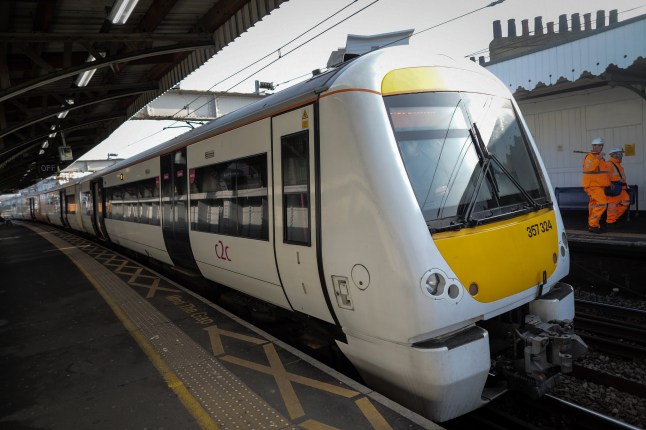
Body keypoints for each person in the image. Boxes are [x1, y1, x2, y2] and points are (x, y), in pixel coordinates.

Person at [581, 137, 610, 233]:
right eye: (599, 145)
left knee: (593, 205)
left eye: (602, 145)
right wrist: (598, 158)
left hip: (599, 185)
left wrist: (609, 183)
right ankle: (593, 224)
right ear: (594, 146)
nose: (601, 147)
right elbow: (589, 168)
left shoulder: (599, 157)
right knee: (602, 203)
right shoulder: (590, 157)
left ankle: (593, 225)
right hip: (593, 186)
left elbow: (603, 172)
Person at [605, 146, 630, 226]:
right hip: (614, 189)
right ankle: (610, 222)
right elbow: (605, 177)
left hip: (621, 188)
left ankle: (614, 218)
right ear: (614, 154)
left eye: (621, 153)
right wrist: (612, 183)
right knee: (612, 205)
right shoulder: (608, 164)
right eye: (620, 153)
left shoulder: (618, 165)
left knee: (626, 201)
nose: (622, 155)